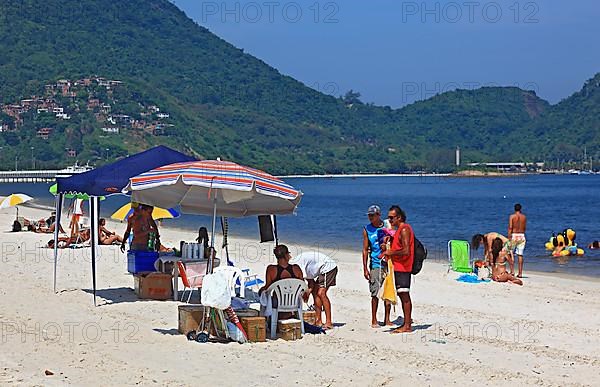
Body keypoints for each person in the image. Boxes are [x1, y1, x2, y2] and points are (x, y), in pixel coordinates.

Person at [383, 205, 414, 334]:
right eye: (389, 218)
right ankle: (406, 323)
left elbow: (406, 250)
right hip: (399, 266)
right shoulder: (400, 230)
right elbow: (400, 245)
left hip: (404, 267)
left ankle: (407, 325)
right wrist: (389, 242)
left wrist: (391, 252)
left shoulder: (405, 229)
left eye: (391, 218)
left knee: (404, 295)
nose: (389, 221)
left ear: (399, 217)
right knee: (402, 294)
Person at [290, 250, 338, 330]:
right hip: (321, 269)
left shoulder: (297, 267)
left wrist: (305, 293)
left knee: (321, 293)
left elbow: (301, 283)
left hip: (328, 267)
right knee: (315, 292)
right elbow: (310, 283)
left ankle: (329, 322)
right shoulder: (298, 266)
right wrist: (307, 293)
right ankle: (318, 320)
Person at [362, 205, 392, 328]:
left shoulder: (387, 225)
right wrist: (365, 268)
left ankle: (387, 319)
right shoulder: (367, 229)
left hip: (389, 262)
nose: (370, 217)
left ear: (378, 215)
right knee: (375, 292)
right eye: (369, 215)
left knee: (388, 290)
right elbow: (365, 249)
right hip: (375, 262)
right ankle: (374, 319)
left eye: (372, 215)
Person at [508, 203, 527, 278]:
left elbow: (510, 227)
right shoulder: (524, 217)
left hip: (514, 235)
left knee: (510, 253)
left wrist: (509, 237)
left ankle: (512, 271)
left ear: (514, 209)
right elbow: (524, 227)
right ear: (520, 209)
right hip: (522, 235)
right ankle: (520, 273)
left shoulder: (512, 216)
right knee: (520, 255)